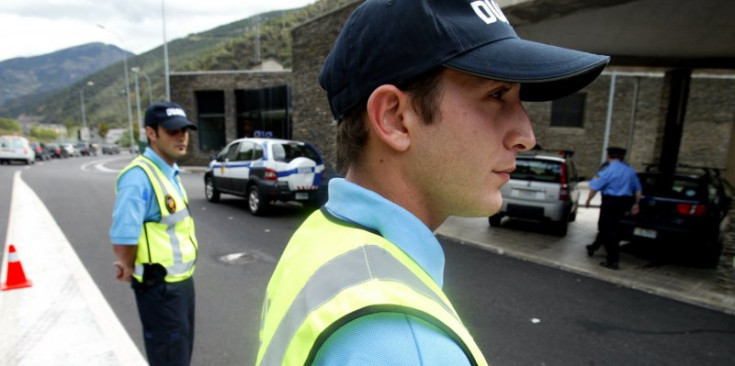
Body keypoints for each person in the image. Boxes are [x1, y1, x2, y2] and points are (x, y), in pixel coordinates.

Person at [256, 1, 609, 365]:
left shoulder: (323, 237)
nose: (526, 135)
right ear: (395, 119)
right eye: (496, 94)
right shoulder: (410, 346)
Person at [110, 101, 199, 366]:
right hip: (159, 287)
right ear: (151, 133)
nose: (181, 136)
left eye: (184, 130)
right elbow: (124, 234)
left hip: (181, 283)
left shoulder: (170, 173)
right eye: (172, 131)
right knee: (169, 357)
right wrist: (126, 265)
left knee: (180, 353)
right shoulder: (138, 177)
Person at [585, 147, 642, 270]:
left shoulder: (607, 170)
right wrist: (636, 204)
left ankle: (613, 260)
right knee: (610, 228)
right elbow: (638, 189)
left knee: (609, 230)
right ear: (622, 157)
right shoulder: (629, 170)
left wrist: (588, 200)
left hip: (610, 202)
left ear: (608, 155)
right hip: (624, 203)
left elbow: (595, 187)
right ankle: (593, 247)